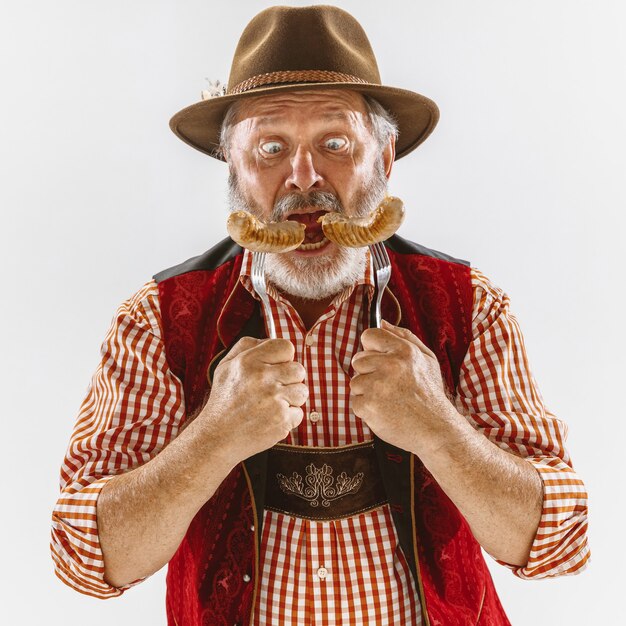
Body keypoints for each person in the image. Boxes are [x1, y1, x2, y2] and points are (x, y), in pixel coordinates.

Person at [51, 5, 589, 625]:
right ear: (233, 169)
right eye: (270, 148)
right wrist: (211, 438)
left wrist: (439, 428)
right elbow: (85, 561)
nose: (303, 179)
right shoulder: (157, 321)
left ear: (385, 159)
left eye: (335, 144)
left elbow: (559, 543)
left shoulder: (468, 307)